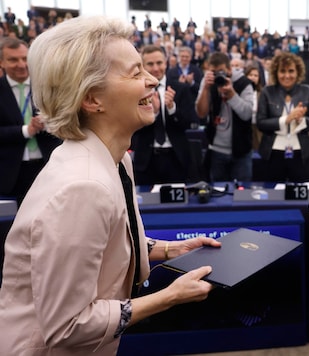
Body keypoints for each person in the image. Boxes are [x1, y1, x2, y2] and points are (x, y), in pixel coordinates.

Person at [0, 16, 222, 355]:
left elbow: (107, 239)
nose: (152, 81)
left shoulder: (117, 159)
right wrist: (169, 297)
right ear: (91, 99)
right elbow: (68, 327)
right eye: (136, 73)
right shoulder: (82, 188)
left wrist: (168, 249)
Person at [0, 37, 61, 205]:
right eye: (13, 59)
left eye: (25, 58)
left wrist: (49, 123)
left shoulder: (48, 86)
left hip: (49, 166)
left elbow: (66, 118)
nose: (21, 64)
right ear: (2, 62)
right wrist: (26, 130)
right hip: (11, 174)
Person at [131, 44, 198, 186]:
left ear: (166, 63)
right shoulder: (136, 91)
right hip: (146, 161)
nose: (156, 68)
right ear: (143, 66)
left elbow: (190, 122)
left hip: (176, 158)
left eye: (159, 63)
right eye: (150, 64)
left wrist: (172, 108)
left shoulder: (181, 89)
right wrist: (153, 114)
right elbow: (132, 128)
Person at [256, 52, 309, 182]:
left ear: (298, 72)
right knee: (273, 193)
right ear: (275, 72)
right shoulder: (267, 92)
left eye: (291, 71)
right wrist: (286, 119)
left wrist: (300, 120)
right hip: (273, 151)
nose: (287, 75)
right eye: (282, 71)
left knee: (300, 194)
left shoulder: (308, 91)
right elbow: (261, 123)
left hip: (300, 151)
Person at [196, 51, 255, 182]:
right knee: (217, 192)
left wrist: (232, 94)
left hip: (241, 150)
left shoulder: (244, 83)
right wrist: (206, 88)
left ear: (229, 69)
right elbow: (201, 113)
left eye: (221, 71)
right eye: (214, 72)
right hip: (216, 149)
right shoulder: (207, 82)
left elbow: (247, 114)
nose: (218, 76)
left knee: (241, 194)